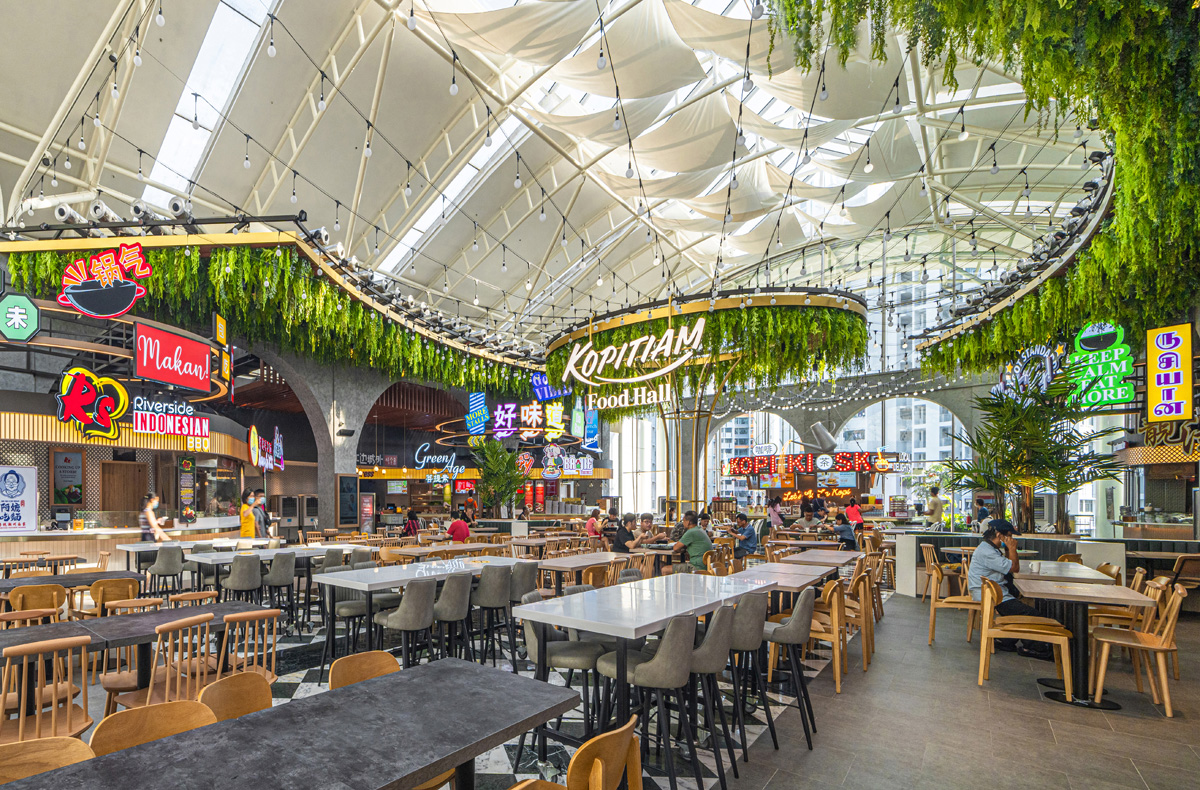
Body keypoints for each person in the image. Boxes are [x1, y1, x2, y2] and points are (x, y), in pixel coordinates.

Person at [966, 520, 1054, 657]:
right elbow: (1013, 567)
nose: (1012, 539)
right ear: (999, 535)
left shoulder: (990, 549)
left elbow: (1008, 566)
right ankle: (1035, 649)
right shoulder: (987, 552)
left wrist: (1008, 549)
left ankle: (1005, 640)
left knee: (1023, 610)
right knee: (1030, 615)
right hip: (992, 596)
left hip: (995, 593)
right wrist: (1012, 549)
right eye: (1010, 536)